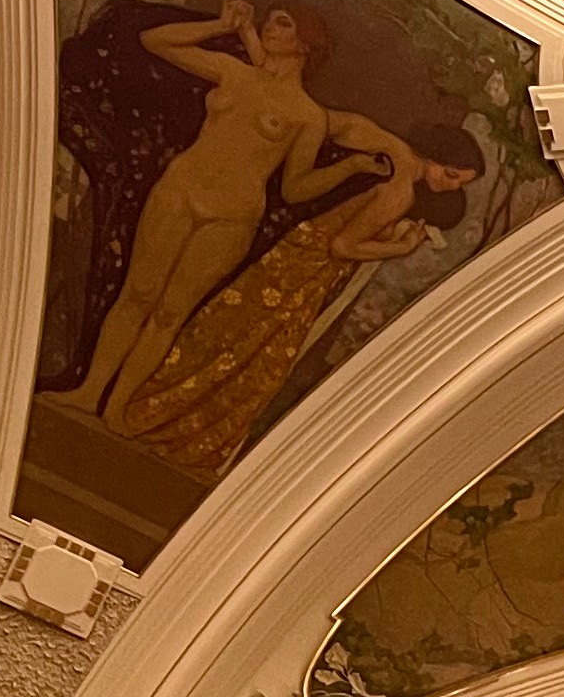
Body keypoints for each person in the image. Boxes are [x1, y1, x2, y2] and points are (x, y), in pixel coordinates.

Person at [113, 116, 479, 478]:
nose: (448, 188)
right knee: (252, 358)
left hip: (292, 249)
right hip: (303, 271)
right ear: (435, 156)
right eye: (449, 175)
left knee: (228, 334)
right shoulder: (401, 191)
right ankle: (170, 425)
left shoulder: (387, 145)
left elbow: (334, 126)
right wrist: (398, 250)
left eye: (457, 184)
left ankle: (157, 414)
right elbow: (342, 245)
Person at [47, 0, 351, 430]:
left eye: (281, 23)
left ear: (304, 44)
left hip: (232, 215)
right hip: (180, 191)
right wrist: (220, 23)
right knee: (137, 294)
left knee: (171, 311)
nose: (268, 27)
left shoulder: (307, 116)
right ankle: (89, 392)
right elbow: (156, 41)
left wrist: (348, 169)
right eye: (269, 19)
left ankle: (116, 406)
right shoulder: (234, 72)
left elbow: (295, 187)